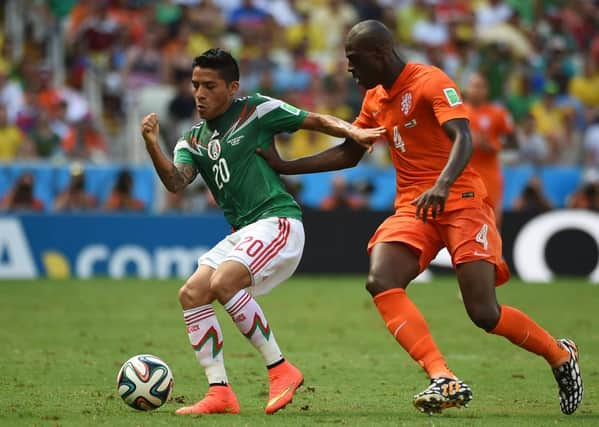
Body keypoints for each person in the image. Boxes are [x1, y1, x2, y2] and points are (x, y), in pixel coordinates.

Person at [258, 20, 583, 416]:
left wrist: (443, 185)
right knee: (381, 279)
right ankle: (441, 375)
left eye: (354, 60)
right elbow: (349, 152)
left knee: (484, 313)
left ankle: (559, 354)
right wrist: (287, 166)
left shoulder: (431, 81)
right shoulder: (375, 98)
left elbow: (462, 137)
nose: (349, 69)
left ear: (379, 54)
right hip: (414, 207)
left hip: (461, 199)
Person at [140, 48, 383, 416]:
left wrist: (353, 130)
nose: (199, 94)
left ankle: (280, 368)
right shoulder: (191, 140)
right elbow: (176, 182)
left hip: (278, 221)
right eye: (195, 85)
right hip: (243, 232)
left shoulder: (255, 110)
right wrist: (151, 145)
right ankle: (220, 392)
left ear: (232, 87)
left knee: (224, 283)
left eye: (209, 86)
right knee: (192, 293)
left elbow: (313, 120)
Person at [464, 72, 517, 226]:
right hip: (462, 175)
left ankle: (494, 250)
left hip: (489, 175)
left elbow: (514, 142)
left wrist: (492, 145)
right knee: (465, 221)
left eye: (481, 86)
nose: (477, 90)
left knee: (491, 221)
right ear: (467, 89)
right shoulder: (457, 111)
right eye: (474, 86)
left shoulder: (497, 113)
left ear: (487, 90)